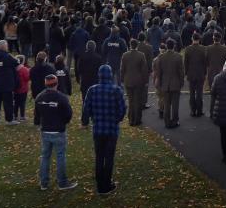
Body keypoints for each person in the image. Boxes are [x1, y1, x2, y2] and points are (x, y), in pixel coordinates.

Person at [81, 64, 127, 195]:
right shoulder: (116, 90)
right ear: (111, 75)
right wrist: (116, 119)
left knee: (99, 156)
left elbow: (86, 109)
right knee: (109, 157)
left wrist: (90, 119)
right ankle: (107, 184)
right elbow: (123, 109)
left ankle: (100, 184)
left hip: (98, 128)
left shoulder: (92, 90)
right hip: (111, 129)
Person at [34, 74, 76, 190]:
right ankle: (62, 183)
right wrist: (63, 122)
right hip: (58, 131)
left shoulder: (39, 97)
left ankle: (44, 183)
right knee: (60, 156)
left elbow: (37, 116)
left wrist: (40, 124)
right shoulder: (61, 97)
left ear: (46, 84)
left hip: (45, 131)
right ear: (56, 83)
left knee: (45, 156)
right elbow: (68, 114)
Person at [155, 39, 184, 128]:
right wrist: (181, 82)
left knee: (167, 105)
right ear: (174, 46)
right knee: (175, 105)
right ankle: (175, 121)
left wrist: (159, 83)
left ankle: (167, 122)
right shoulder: (178, 57)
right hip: (175, 84)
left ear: (167, 46)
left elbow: (159, 72)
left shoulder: (161, 57)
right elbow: (181, 72)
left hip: (165, 84)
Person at [120, 39, 148, 126]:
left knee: (131, 101)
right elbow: (144, 70)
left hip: (128, 80)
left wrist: (122, 79)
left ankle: (131, 119)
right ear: (137, 46)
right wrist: (145, 81)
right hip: (138, 81)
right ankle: (137, 119)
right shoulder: (141, 55)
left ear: (130, 45)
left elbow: (122, 69)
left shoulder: (125, 55)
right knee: (138, 101)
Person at [0, 40, 19, 125]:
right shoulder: (6, 56)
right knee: (8, 102)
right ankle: (9, 119)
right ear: (3, 47)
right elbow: (16, 62)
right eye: (6, 46)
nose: (7, 47)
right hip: (6, 82)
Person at [183, 32, 208, 117]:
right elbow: (205, 63)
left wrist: (186, 73)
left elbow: (185, 63)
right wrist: (205, 72)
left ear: (192, 39)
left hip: (191, 73)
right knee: (199, 93)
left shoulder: (188, 49)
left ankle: (193, 110)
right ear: (199, 39)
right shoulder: (203, 49)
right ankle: (199, 110)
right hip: (200, 73)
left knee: (192, 93)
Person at [14, 55, 30, 122]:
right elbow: (27, 78)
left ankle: (15, 116)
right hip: (23, 89)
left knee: (15, 103)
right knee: (22, 103)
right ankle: (22, 116)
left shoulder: (13, 68)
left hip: (14, 89)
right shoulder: (24, 69)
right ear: (23, 61)